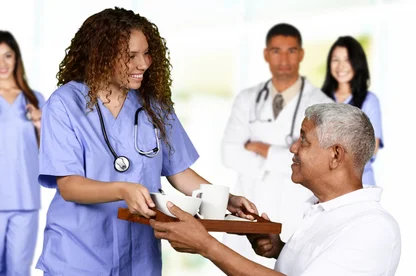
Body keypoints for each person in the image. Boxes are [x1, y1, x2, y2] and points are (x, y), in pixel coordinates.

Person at [35, 7, 256, 276]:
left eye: (146, 53)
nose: (144, 64)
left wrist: (224, 200)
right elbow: (69, 186)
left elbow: (179, 171)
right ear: (101, 57)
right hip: (79, 255)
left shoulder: (153, 106)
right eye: (131, 56)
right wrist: (122, 189)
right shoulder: (64, 104)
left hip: (139, 257)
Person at [151, 103, 401, 275]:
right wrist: (281, 250)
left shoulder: (372, 228)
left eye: (304, 139)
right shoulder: (322, 211)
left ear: (335, 155)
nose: (293, 148)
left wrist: (206, 246)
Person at [220, 23, 333, 267]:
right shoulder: (247, 99)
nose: (284, 59)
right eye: (276, 51)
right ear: (265, 54)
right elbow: (229, 153)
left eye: (291, 51)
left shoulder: (321, 103)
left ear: (301, 54)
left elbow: (317, 162)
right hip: (249, 211)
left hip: (293, 214)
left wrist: (262, 149)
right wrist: (285, 158)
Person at [0, 30, 45, 276]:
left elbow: (51, 155)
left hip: (25, 199)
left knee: (18, 270)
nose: (2, 64)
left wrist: (39, 124)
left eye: (8, 56)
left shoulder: (35, 100)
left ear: (17, 58)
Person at [322, 36, 383, 186]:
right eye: (336, 60)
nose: (341, 66)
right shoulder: (320, 99)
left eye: (347, 59)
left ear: (357, 63)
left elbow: (372, 148)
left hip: (360, 182)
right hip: (325, 182)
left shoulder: (369, 100)